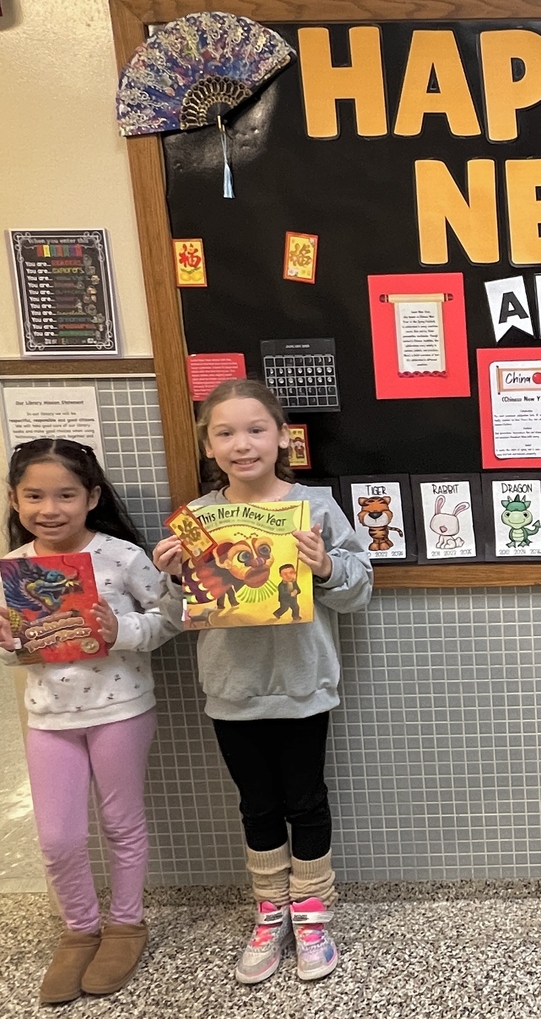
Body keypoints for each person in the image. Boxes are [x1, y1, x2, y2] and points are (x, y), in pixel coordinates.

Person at [153, 379, 371, 985]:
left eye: (255, 429)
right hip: (232, 688)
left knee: (307, 801)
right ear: (207, 445)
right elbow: (177, 617)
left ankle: (311, 913)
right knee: (257, 806)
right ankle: (270, 910)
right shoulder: (197, 519)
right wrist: (173, 579)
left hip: (303, 683)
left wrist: (325, 565)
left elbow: (360, 589)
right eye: (224, 433)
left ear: (282, 438)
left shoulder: (317, 507)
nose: (241, 444)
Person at [0, 438, 179, 1004]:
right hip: (48, 716)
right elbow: (9, 644)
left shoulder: (121, 556)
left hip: (121, 709)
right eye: (35, 496)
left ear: (92, 496)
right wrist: (4, 643)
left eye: (66, 494)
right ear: (15, 501)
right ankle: (79, 930)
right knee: (58, 837)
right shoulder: (16, 567)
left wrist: (122, 630)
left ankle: (125, 924)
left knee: (122, 824)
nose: (51, 508)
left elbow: (168, 617)